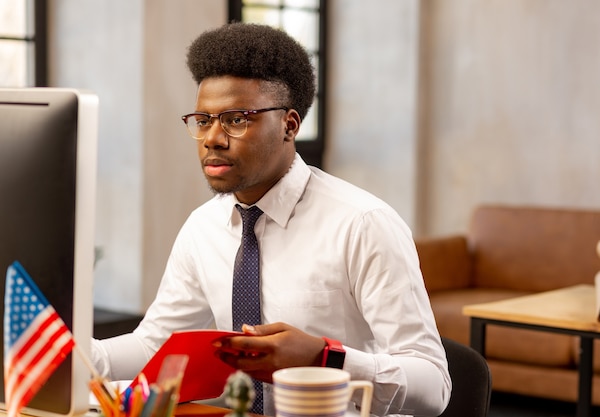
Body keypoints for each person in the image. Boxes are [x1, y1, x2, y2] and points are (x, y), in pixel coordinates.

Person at [91, 22, 451, 416]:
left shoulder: (364, 224)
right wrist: (71, 355)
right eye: (204, 120)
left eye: (236, 118)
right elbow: (155, 346)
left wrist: (324, 358)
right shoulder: (203, 226)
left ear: (289, 125)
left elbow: (433, 386)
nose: (212, 137)